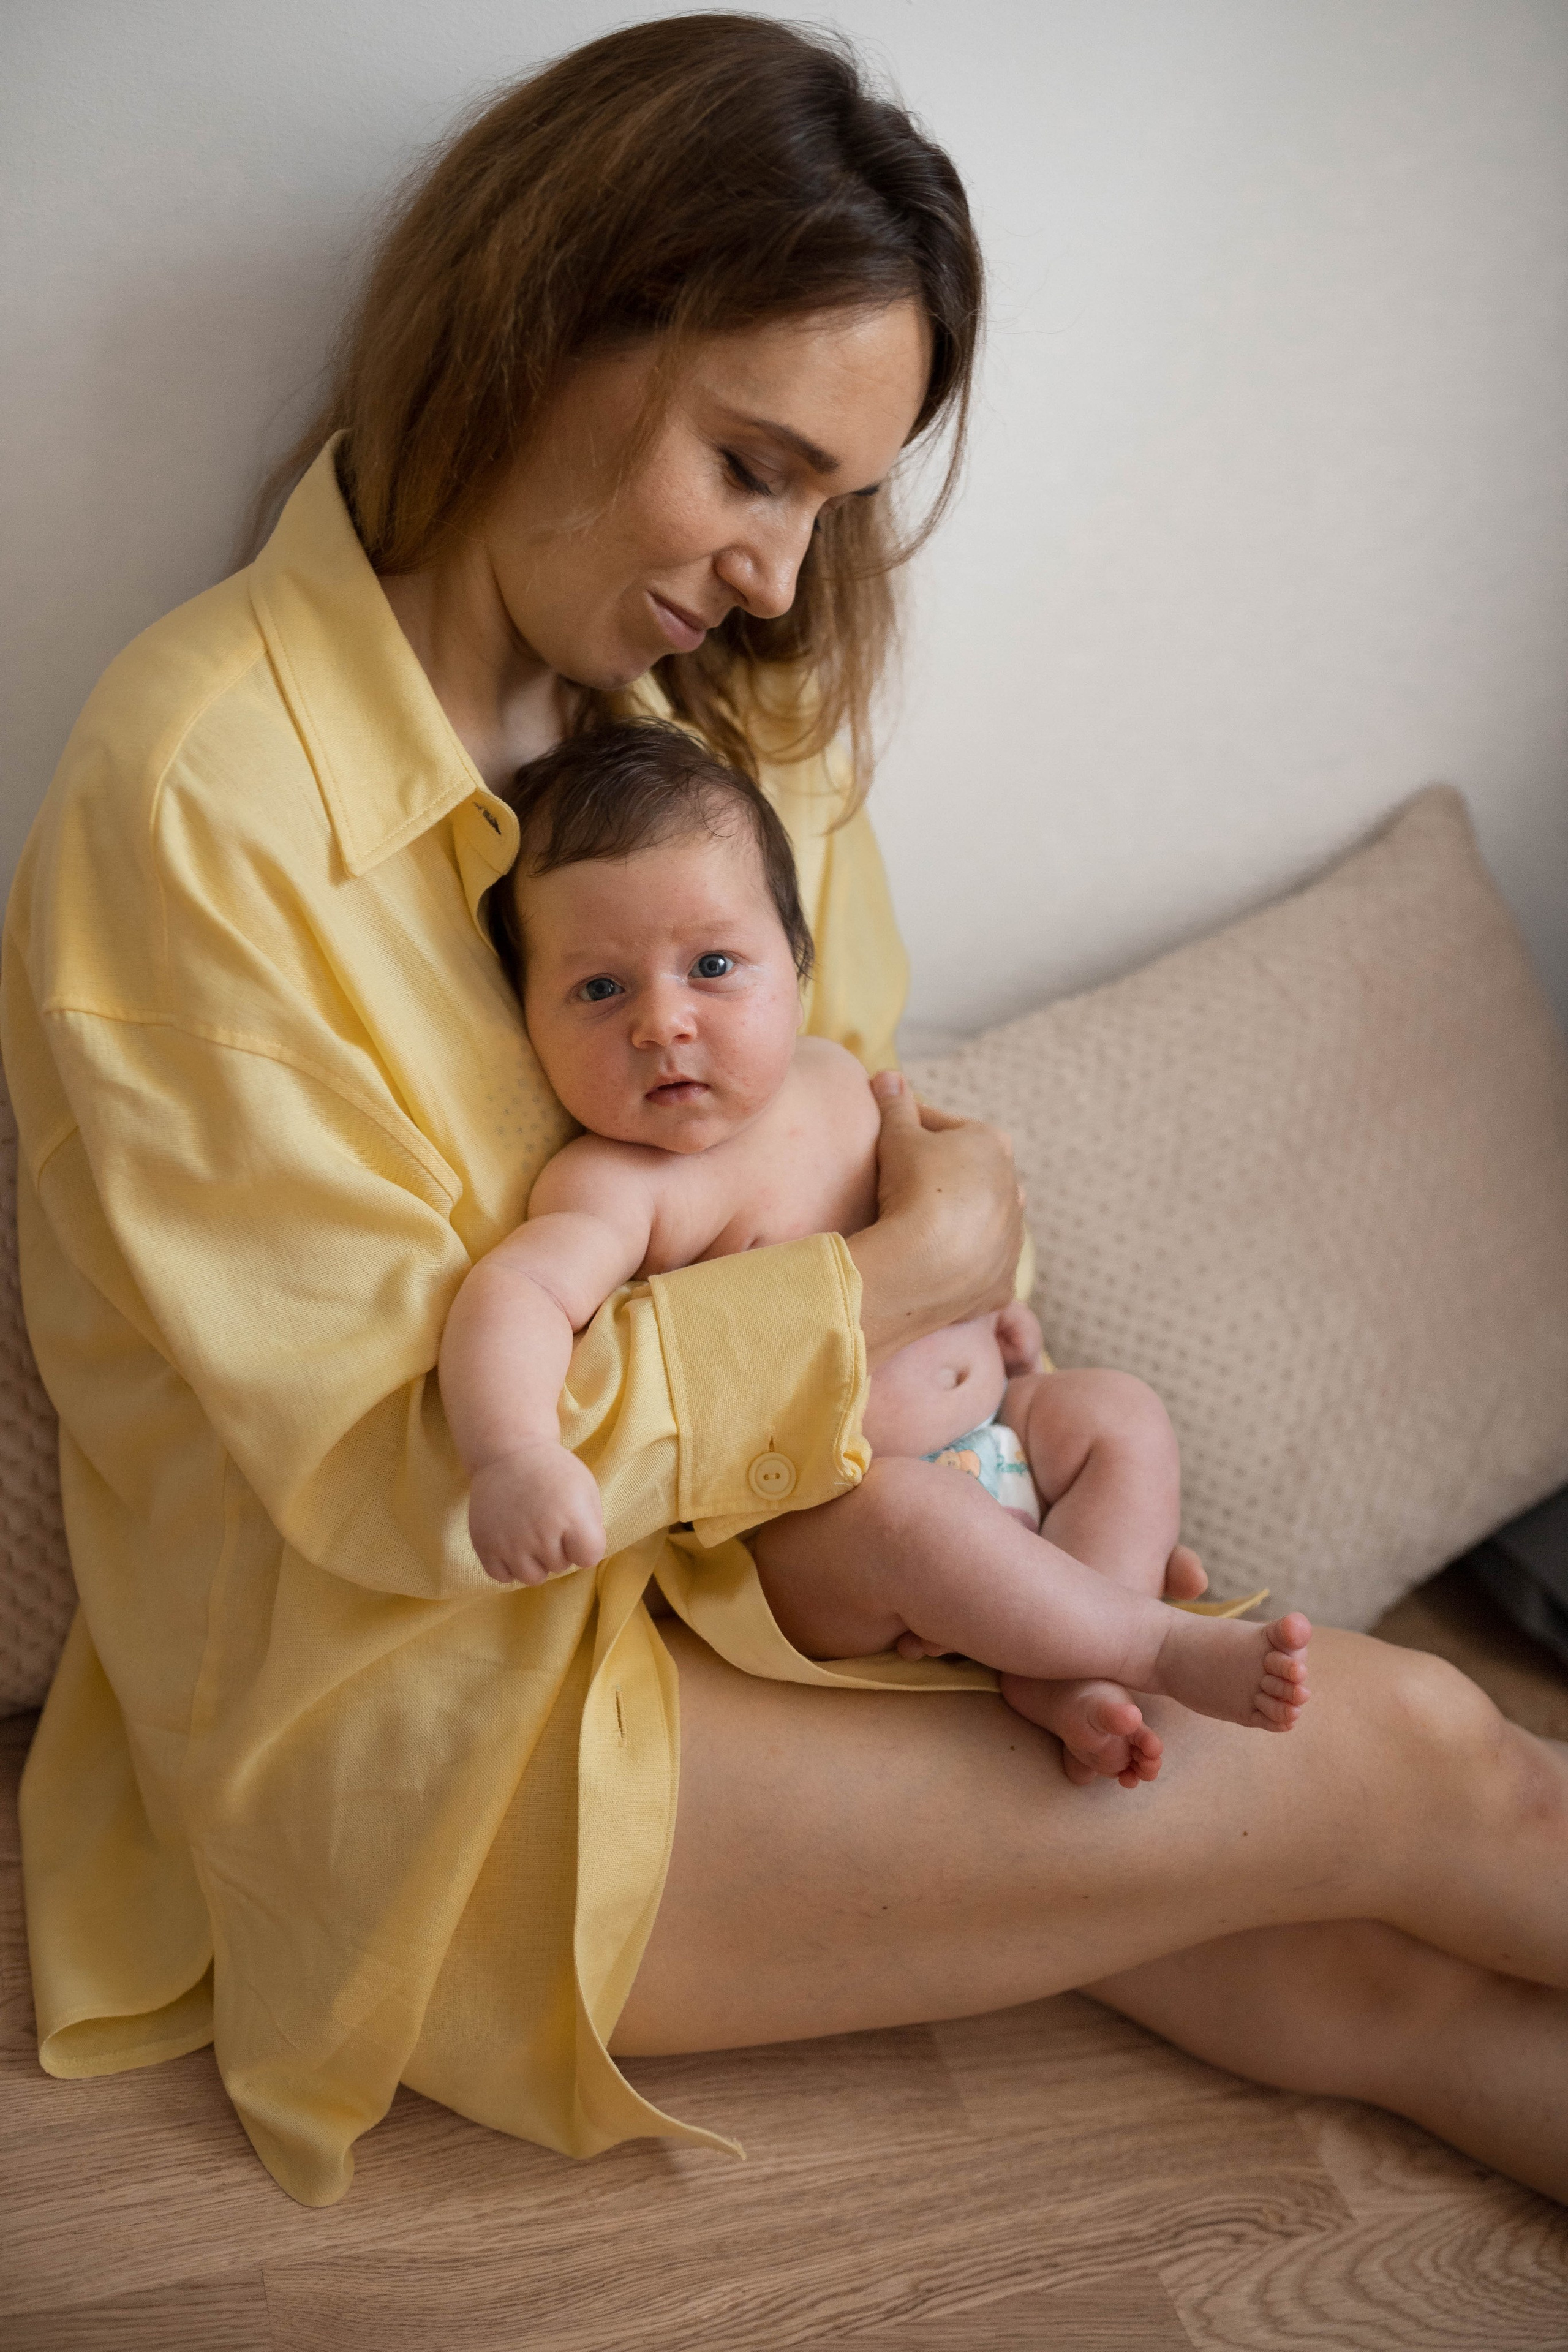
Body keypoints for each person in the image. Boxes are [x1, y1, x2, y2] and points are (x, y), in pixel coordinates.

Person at [4, 16, 1564, 2214]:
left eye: (825, 499)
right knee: (1425, 1763)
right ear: (550, 319)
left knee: (1357, 1981)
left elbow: (875, 1149)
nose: (773, 571)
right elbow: (391, 1476)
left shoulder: (721, 732)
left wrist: (975, 1423)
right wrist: (888, 1283)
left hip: (791, 1588)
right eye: (752, 467)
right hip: (457, 1748)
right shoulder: (201, 792)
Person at [438, 718, 1313, 1789]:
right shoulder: (619, 1184)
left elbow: (961, 1222)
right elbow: (516, 1293)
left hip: (997, 1432)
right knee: (913, 1517)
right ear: (526, 1017)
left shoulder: (844, 1081)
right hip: (832, 1528)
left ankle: (1069, 1657)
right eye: (599, 989)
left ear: (795, 966)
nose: (663, 1022)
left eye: (713, 966)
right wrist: (515, 1456)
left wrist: (1010, 1341)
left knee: (1119, 1414)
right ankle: (1147, 1643)